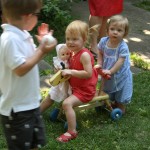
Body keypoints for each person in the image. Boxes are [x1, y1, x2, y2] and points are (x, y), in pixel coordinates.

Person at [0, 0, 57, 149]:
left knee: (34, 144)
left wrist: (41, 47)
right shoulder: (10, 39)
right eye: (37, 14)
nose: (38, 18)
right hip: (17, 110)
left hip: (30, 103)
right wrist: (41, 50)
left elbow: (31, 60)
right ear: (27, 16)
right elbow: (20, 69)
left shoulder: (23, 35)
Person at [56, 20, 98, 143]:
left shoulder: (84, 55)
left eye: (74, 39)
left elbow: (88, 73)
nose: (70, 42)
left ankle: (72, 131)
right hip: (76, 88)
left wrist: (71, 72)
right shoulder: (73, 52)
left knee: (66, 104)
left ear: (84, 40)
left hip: (85, 91)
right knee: (62, 97)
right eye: (68, 38)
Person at [97, 15, 133, 114]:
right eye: (112, 29)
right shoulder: (104, 41)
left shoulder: (123, 46)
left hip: (120, 73)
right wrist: (99, 63)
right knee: (107, 87)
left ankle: (120, 107)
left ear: (124, 33)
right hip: (107, 71)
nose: (115, 32)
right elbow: (100, 52)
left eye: (119, 30)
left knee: (121, 90)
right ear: (107, 30)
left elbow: (120, 61)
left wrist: (111, 71)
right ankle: (106, 102)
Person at [40, 44, 71, 113]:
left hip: (68, 85)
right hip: (58, 83)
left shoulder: (70, 61)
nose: (66, 56)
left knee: (66, 99)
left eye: (67, 53)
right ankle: (38, 111)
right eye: (63, 54)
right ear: (59, 55)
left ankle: (61, 112)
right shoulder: (58, 62)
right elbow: (56, 70)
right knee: (50, 97)